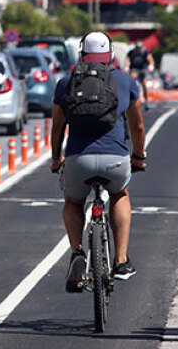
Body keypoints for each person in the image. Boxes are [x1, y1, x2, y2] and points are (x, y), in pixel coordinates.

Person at [50, 31, 146, 292]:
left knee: (73, 202)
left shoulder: (66, 82)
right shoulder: (125, 81)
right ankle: (121, 261)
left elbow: (57, 127)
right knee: (120, 195)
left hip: (78, 160)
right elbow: (137, 125)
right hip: (114, 160)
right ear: (111, 56)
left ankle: (77, 252)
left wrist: (56, 158)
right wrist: (138, 157)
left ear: (82, 54)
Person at [125, 40, 155, 105]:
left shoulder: (145, 52)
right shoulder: (131, 52)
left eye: (139, 48)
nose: (138, 50)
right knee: (133, 77)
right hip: (134, 68)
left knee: (144, 84)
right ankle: (134, 96)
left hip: (142, 69)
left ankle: (147, 100)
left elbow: (150, 60)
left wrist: (151, 66)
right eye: (137, 48)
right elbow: (127, 59)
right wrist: (126, 67)